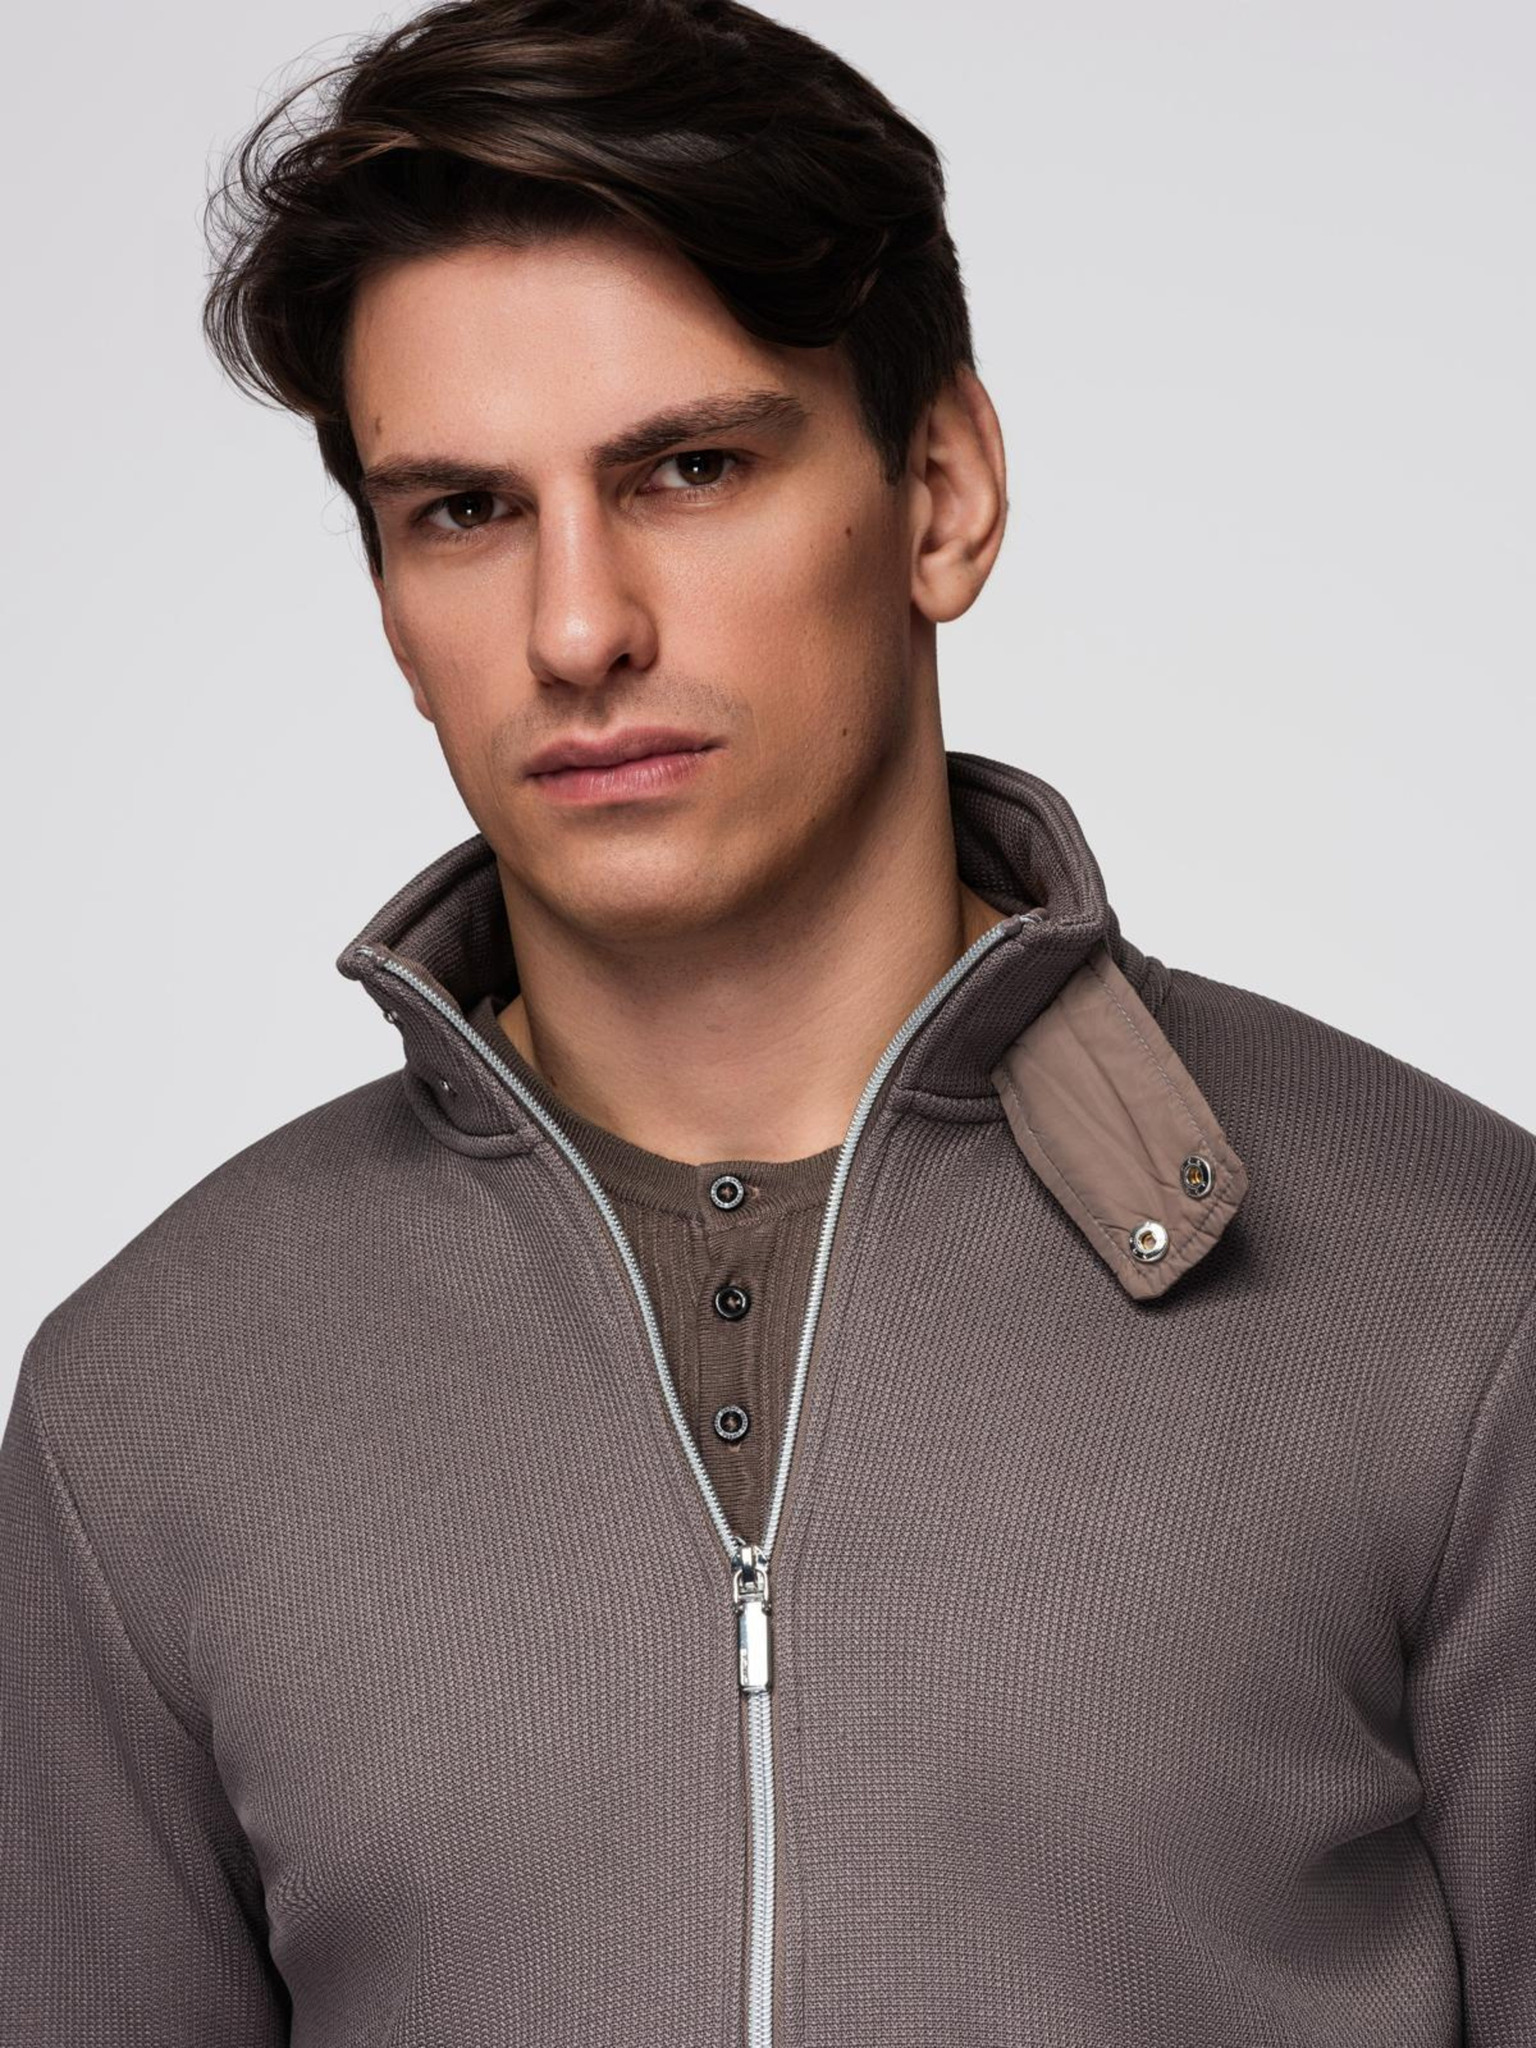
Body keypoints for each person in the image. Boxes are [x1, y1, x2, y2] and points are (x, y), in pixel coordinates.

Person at [2, 0, 1532, 2040]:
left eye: (690, 468)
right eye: (464, 511)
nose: (577, 627)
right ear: (387, 599)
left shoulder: (1459, 1301)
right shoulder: (148, 1409)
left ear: (942, 493)